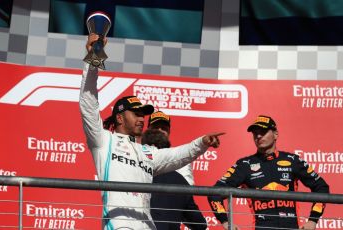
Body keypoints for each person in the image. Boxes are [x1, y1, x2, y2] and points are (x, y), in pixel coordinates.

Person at [80, 33, 224, 230]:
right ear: (120, 118)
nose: (142, 118)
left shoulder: (147, 152)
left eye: (143, 114)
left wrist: (202, 142)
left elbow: (178, 156)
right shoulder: (104, 141)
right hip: (119, 226)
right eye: (136, 113)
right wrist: (93, 59)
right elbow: (88, 102)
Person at [207, 115, 329, 230]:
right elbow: (214, 193)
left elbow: (322, 187)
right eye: (255, 133)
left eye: (263, 132)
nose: (258, 136)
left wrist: (313, 220)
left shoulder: (293, 160)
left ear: (275, 134)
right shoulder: (245, 165)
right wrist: (226, 222)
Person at [143, 112, 207, 229]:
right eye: (156, 127)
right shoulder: (133, 155)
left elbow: (187, 201)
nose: (160, 130)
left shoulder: (182, 162)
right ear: (148, 130)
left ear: (169, 133)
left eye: (164, 129)